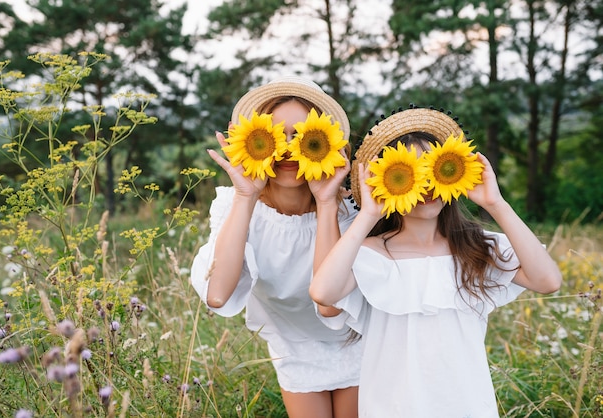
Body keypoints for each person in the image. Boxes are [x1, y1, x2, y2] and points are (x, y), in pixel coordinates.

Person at [309, 106, 562, 417]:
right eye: (410, 173)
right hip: (393, 407)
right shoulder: (370, 254)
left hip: (467, 404)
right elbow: (323, 293)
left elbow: (547, 281)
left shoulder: (476, 246)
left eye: (435, 169)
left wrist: (496, 204)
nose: (427, 184)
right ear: (386, 182)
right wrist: (369, 214)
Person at [190, 76, 361, 418]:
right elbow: (217, 295)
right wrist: (245, 194)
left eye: (302, 137)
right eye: (273, 136)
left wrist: (326, 203)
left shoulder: (350, 210)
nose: (286, 149)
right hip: (293, 346)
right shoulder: (235, 207)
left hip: (359, 340)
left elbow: (332, 303)